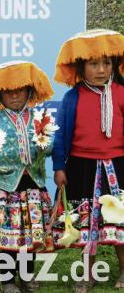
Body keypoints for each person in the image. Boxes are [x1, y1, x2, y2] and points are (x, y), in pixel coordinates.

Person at [0, 61, 56, 293]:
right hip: (2, 187)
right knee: (6, 235)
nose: (15, 95)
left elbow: (49, 145)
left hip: (32, 184)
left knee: (29, 235)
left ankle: (26, 275)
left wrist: (45, 143)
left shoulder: (38, 118)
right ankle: (7, 280)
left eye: (20, 90)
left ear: (29, 91)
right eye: (8, 91)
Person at [51, 30, 124, 293]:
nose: (101, 70)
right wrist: (59, 167)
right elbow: (60, 135)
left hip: (118, 166)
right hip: (82, 168)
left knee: (120, 223)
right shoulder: (72, 98)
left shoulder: (121, 93)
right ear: (81, 67)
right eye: (94, 64)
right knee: (86, 224)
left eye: (107, 63)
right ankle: (88, 273)